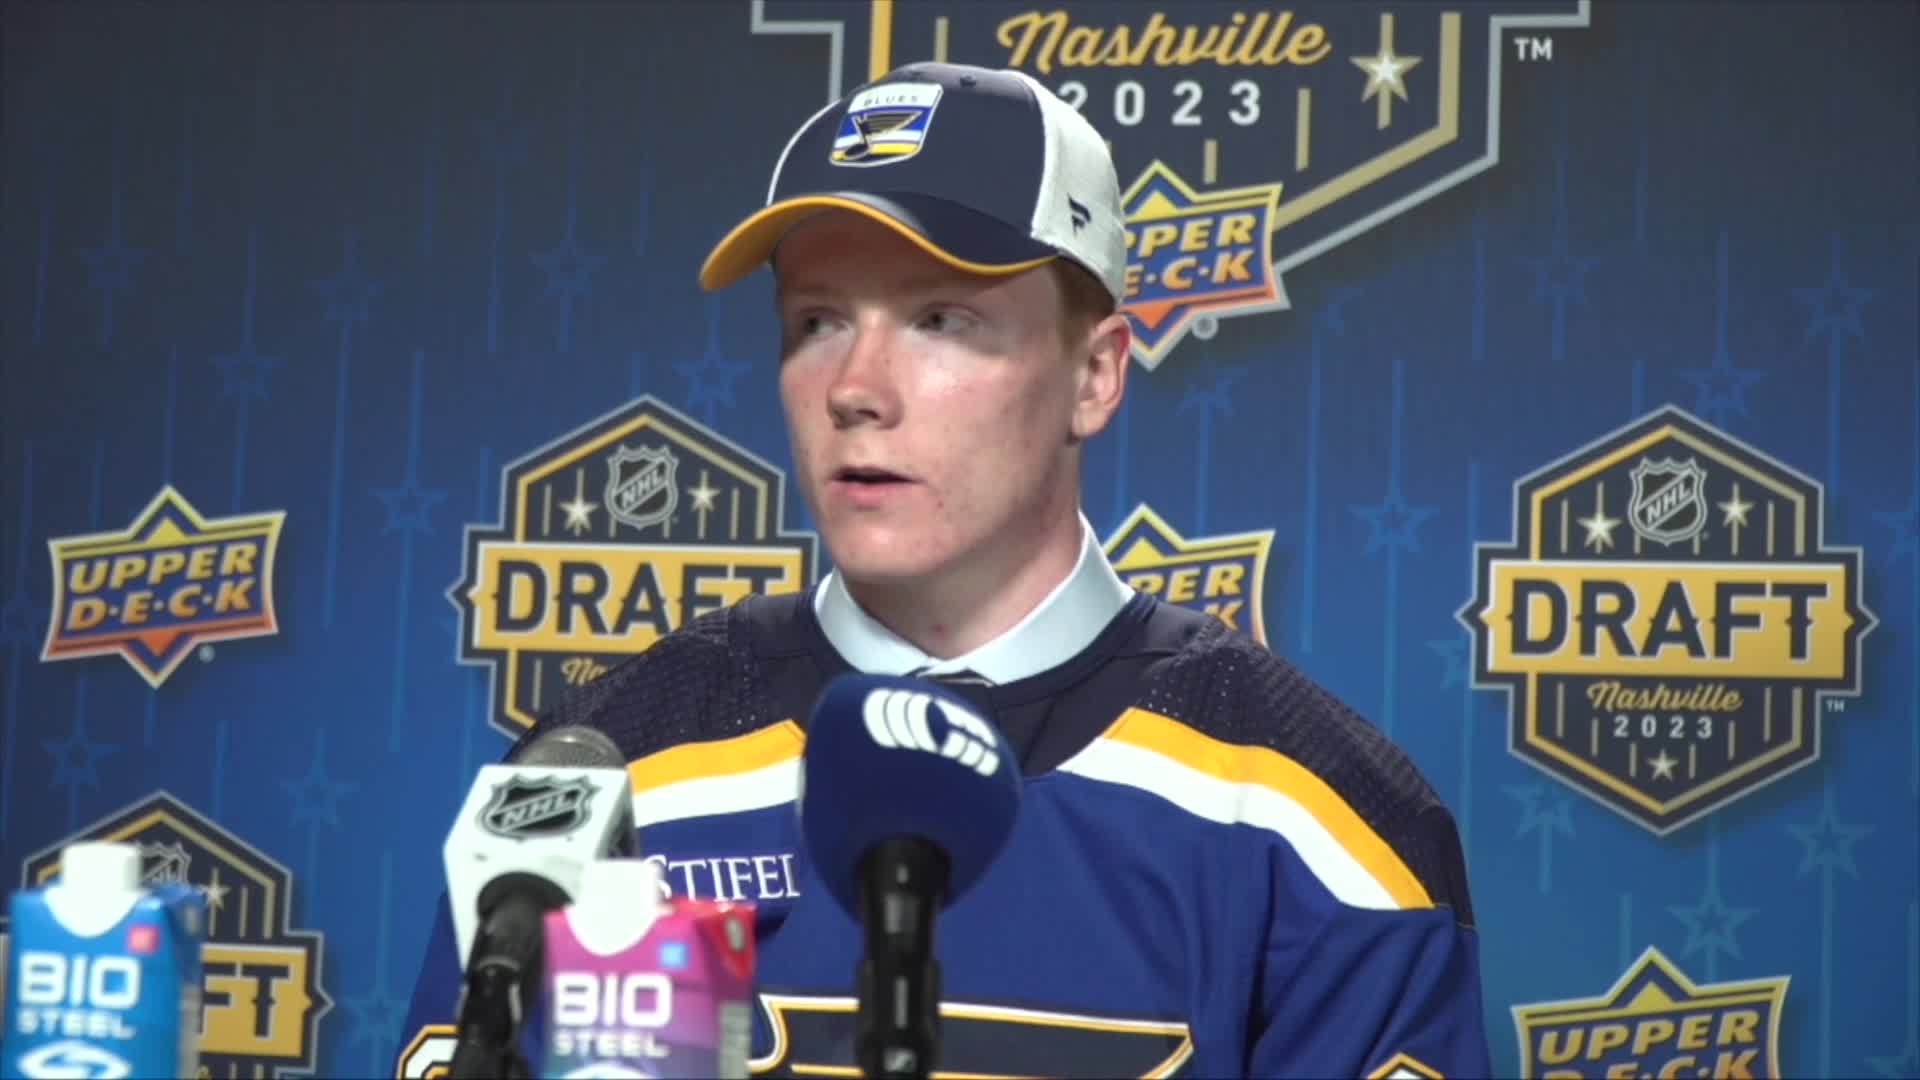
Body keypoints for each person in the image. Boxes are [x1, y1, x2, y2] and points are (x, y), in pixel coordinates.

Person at [398, 61, 1490, 1078]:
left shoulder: (1313, 819)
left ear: (1095, 375)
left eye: (940, 318)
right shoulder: (622, 778)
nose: (856, 387)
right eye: (817, 320)